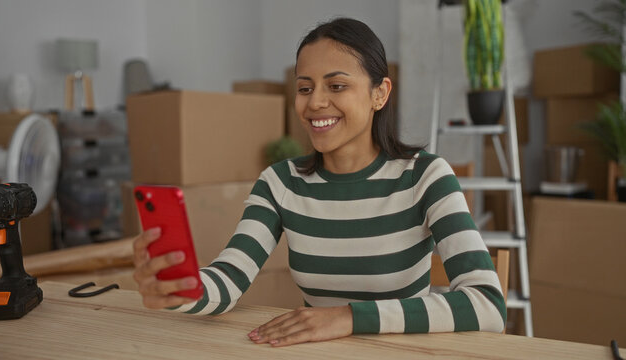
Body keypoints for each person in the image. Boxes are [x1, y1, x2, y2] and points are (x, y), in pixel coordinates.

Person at [132, 17, 506, 347]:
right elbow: (229, 279)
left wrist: (347, 317)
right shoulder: (280, 183)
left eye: (337, 86)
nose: (315, 103)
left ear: (380, 93)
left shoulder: (425, 177)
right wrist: (179, 290)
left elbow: (488, 303)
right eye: (305, 87)